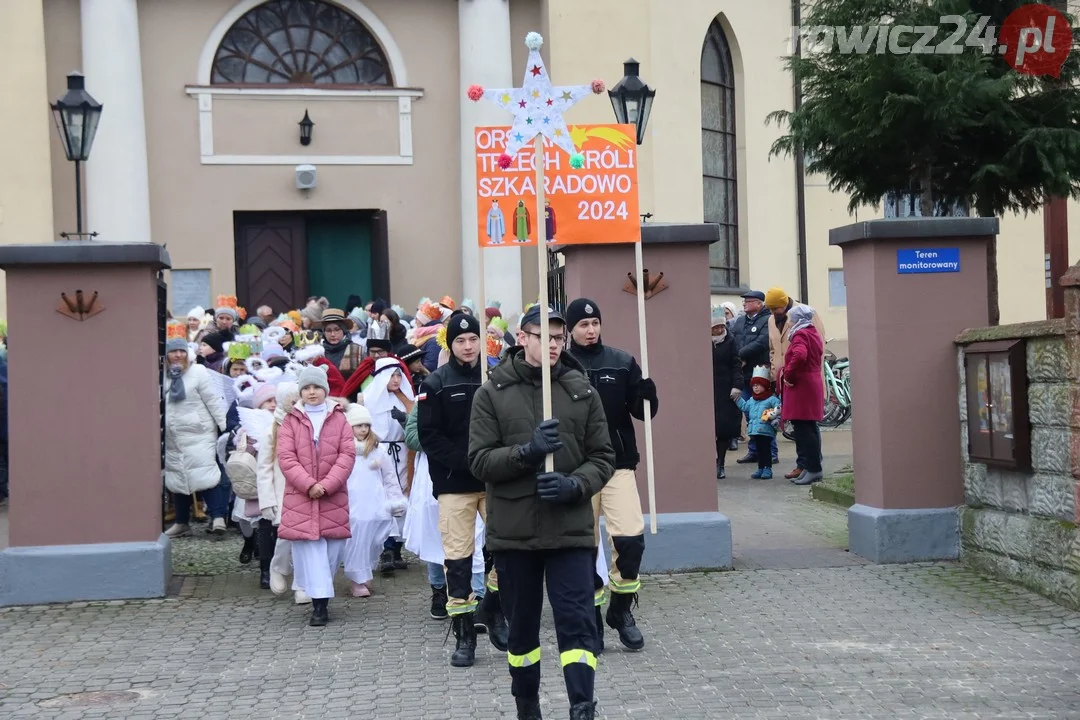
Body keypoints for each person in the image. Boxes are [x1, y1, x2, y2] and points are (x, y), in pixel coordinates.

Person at [469, 304, 614, 720]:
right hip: (514, 532)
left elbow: (603, 457)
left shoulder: (579, 389)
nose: (551, 345)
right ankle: (527, 707)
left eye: (557, 337)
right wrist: (526, 453)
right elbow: (479, 461)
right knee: (523, 630)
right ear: (522, 337)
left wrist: (576, 484)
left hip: (569, 529)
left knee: (577, 624)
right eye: (542, 336)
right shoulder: (491, 393)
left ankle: (582, 707)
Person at [564, 298, 656, 652]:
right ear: (571, 330)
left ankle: (620, 610)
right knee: (583, 547)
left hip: (618, 464)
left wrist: (648, 395)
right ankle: (591, 617)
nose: (591, 330)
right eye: (583, 325)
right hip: (579, 467)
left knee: (631, 539)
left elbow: (641, 411)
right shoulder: (560, 368)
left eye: (595, 324)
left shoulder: (621, 362)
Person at [418, 311, 507, 667]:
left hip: (495, 482)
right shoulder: (435, 384)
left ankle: (495, 609)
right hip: (455, 484)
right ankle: (464, 633)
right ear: (450, 344)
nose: (468, 346)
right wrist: (468, 461)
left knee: (507, 549)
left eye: (473, 340)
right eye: (460, 340)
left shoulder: (496, 378)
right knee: (458, 559)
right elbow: (430, 437)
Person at [276, 365, 356, 627]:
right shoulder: (291, 419)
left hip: (332, 495)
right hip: (302, 497)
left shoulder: (339, 418)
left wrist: (328, 484)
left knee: (331, 553)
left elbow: (347, 454)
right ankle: (320, 606)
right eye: (307, 388)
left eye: (316, 387)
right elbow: (286, 458)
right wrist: (309, 484)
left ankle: (321, 593)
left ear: (325, 389)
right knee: (311, 552)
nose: (312, 393)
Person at [163, 331, 230, 537]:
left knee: (206, 473)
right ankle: (182, 522)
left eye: (181, 351)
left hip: (199, 432)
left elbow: (213, 400)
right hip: (173, 435)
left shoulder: (198, 372)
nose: (177, 355)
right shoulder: (161, 374)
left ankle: (218, 517)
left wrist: (224, 426)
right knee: (178, 476)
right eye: (173, 352)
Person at [764, 287, 826, 479]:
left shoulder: (803, 318)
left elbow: (808, 350)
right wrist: (776, 373)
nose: (774, 313)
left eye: (776, 308)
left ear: (785, 304)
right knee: (800, 426)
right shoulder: (773, 320)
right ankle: (805, 465)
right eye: (771, 309)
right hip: (792, 381)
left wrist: (789, 374)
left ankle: (811, 465)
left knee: (806, 426)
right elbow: (773, 348)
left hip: (802, 381)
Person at [779, 305, 826, 485]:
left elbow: (799, 355)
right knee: (809, 428)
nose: (789, 323)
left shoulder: (800, 335)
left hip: (802, 386)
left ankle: (813, 469)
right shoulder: (811, 332)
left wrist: (789, 375)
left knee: (804, 430)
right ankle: (810, 467)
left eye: (790, 319)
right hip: (810, 383)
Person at [730, 290, 774, 464]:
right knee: (749, 413)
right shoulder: (740, 321)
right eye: (744, 302)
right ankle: (754, 451)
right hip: (743, 373)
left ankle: (771, 452)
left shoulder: (767, 320)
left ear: (759, 303)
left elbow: (763, 341)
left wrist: (739, 355)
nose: (744, 304)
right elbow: (733, 338)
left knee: (764, 414)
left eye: (748, 301)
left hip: (759, 370)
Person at [711, 308, 744, 479]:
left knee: (723, 428)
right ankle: (709, 460)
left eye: (721, 327)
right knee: (709, 427)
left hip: (724, 388)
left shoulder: (730, 341)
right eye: (715, 327)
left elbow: (736, 364)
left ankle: (720, 463)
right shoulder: (703, 342)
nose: (719, 330)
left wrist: (737, 385)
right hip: (707, 388)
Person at [736, 367, 782, 480]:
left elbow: (779, 408)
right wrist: (738, 399)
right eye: (754, 385)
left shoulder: (771, 399)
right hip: (755, 431)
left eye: (758, 385)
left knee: (766, 450)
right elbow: (744, 407)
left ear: (765, 386)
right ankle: (761, 468)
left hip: (766, 431)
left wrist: (774, 416)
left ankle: (767, 468)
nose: (756, 387)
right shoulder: (752, 399)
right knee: (759, 451)